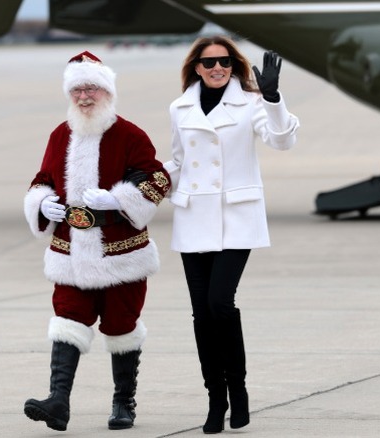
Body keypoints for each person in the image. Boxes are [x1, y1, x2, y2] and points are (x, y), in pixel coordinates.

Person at [22, 51, 171, 432]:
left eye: (92, 88)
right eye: (78, 90)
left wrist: (120, 198)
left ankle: (124, 402)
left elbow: (157, 179)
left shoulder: (130, 134)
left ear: (107, 92)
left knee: (122, 326)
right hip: (70, 250)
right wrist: (43, 202)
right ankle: (58, 401)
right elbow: (42, 178)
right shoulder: (60, 134)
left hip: (119, 253)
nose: (85, 97)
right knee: (67, 318)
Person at [163, 36, 300, 434]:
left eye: (224, 61)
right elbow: (178, 160)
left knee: (220, 303)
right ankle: (214, 398)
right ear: (196, 68)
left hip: (235, 218)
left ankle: (238, 390)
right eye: (209, 63)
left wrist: (273, 98)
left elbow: (282, 140)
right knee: (202, 314)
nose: (217, 68)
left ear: (233, 65)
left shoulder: (252, 103)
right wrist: (152, 179)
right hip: (193, 217)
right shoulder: (180, 107)